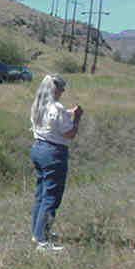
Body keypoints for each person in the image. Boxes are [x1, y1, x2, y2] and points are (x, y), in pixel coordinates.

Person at [30, 74, 83, 251]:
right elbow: (69, 134)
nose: (63, 90)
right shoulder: (57, 107)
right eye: (61, 87)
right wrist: (76, 118)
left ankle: (37, 233)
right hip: (53, 153)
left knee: (41, 193)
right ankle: (42, 241)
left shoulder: (38, 105)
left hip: (38, 149)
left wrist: (67, 113)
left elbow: (52, 120)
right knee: (51, 196)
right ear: (55, 89)